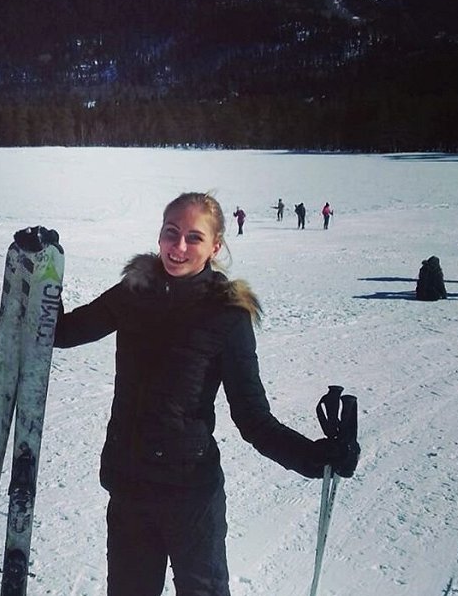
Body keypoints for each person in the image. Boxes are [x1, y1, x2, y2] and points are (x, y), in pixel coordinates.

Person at [54, 192, 360, 596]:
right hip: (130, 488)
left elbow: (253, 418)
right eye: (171, 232)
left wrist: (315, 458)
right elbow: (62, 332)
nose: (179, 246)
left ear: (215, 246)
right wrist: (41, 274)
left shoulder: (226, 314)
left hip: (191, 497)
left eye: (194, 237)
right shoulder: (133, 292)